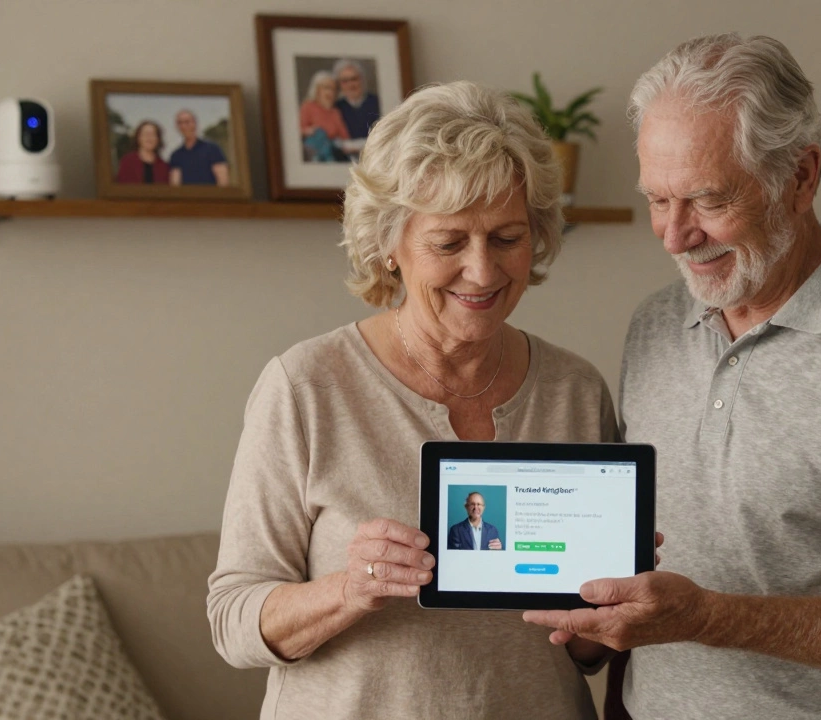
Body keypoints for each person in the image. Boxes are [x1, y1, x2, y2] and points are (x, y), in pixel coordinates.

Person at [523, 34, 821, 720]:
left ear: (801, 177)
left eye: (708, 200)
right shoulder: (656, 324)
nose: (674, 235)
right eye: (658, 199)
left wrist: (707, 617)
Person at [207, 80, 618, 720]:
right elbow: (232, 620)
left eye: (506, 238)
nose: (482, 272)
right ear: (390, 247)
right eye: (449, 242)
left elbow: (587, 651)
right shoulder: (307, 386)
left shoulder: (576, 390)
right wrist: (350, 589)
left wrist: (613, 599)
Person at [299, 70, 351, 163]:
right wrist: (309, 130)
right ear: (317, 89)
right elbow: (298, 130)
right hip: (313, 147)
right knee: (320, 134)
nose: (331, 92)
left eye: (334, 89)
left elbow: (345, 138)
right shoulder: (308, 106)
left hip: (331, 148)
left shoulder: (335, 112)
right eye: (327, 88)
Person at [168, 110, 229, 186]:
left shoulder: (212, 149)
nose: (184, 126)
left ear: (194, 123)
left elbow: (223, 181)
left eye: (187, 122)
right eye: (180, 123)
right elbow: (175, 184)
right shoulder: (176, 155)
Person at [333, 58, 382, 139]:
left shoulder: (376, 102)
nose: (350, 85)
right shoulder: (336, 108)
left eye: (354, 79)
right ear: (339, 85)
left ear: (362, 80)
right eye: (345, 81)